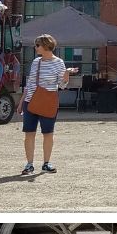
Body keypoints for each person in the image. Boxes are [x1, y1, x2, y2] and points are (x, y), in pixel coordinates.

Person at [19, 34, 78, 175]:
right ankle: (29, 164)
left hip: (48, 101)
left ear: (46, 46)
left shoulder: (58, 62)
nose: (35, 47)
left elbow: (62, 85)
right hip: (31, 101)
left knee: (48, 133)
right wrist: (21, 101)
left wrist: (66, 74)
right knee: (29, 133)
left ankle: (46, 163)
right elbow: (30, 83)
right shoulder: (36, 62)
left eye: (37, 45)